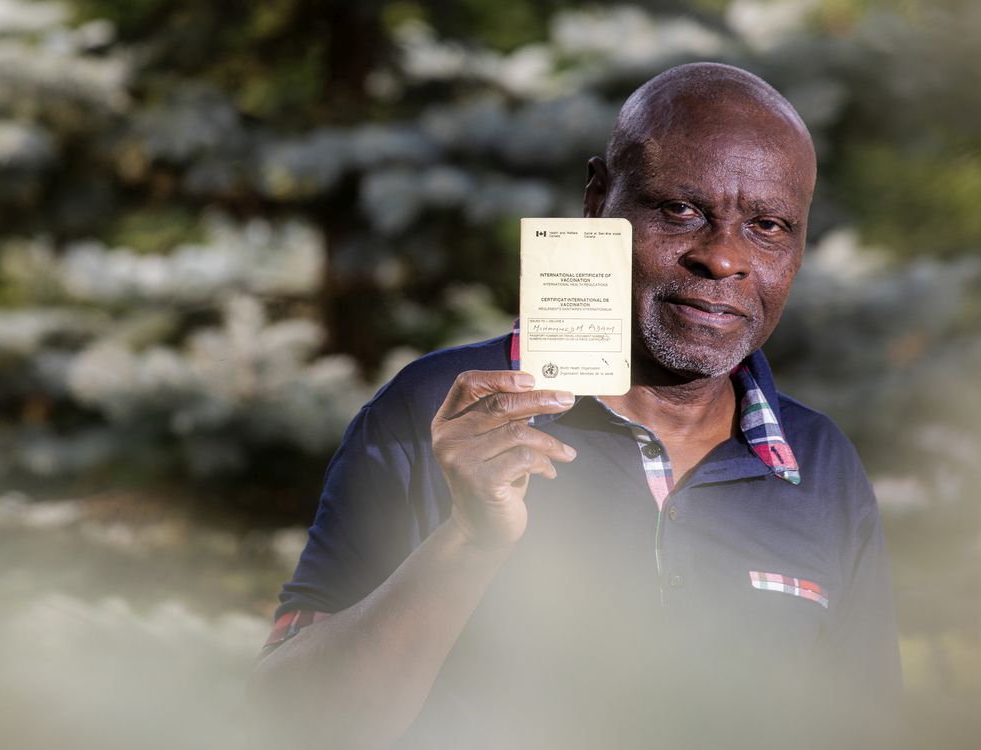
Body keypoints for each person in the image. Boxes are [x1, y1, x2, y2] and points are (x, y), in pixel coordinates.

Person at [250, 63, 903, 750]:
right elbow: (290, 722)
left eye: (768, 226)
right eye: (681, 210)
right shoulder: (445, 413)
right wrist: (470, 540)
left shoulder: (822, 464)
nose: (723, 258)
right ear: (599, 199)